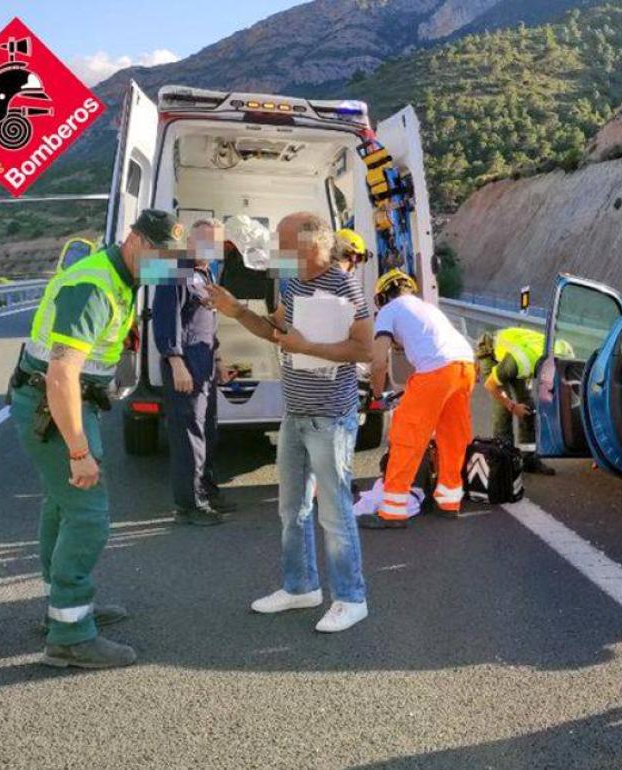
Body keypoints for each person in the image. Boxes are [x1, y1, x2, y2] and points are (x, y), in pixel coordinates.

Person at [8, 208, 180, 669]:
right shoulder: (94, 286)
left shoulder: (119, 280)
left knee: (62, 506)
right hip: (55, 406)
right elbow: (61, 375)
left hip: (68, 403)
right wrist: (79, 451)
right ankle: (69, 634)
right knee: (88, 515)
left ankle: (63, 608)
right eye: (161, 256)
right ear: (137, 240)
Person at [208, 213, 372, 634]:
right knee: (291, 509)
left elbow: (364, 350)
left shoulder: (345, 285)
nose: (277, 253)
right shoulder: (291, 282)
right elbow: (275, 330)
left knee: (334, 514)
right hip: (295, 412)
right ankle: (301, 587)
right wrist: (237, 311)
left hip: (331, 417)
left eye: (284, 244)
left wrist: (308, 345)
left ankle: (352, 599)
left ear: (313, 244)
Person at [362, 269, 476, 527]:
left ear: (382, 297)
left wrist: (376, 395)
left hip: (437, 370)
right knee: (452, 436)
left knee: (407, 433)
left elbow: (379, 362)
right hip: (465, 366)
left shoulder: (389, 311)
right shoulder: (428, 309)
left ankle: (392, 510)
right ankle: (449, 502)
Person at [153, 218, 237, 526]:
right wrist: (176, 362)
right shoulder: (176, 270)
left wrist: (218, 363)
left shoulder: (204, 272)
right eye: (204, 241)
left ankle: (208, 492)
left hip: (204, 368)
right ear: (189, 239)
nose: (209, 249)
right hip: (185, 368)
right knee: (189, 437)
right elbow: (165, 321)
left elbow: (206, 325)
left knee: (207, 432)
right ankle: (189, 506)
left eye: (215, 244)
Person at [477, 327, 559, 476]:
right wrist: (512, 406)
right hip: (490, 353)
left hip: (517, 352)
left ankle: (529, 460)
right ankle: (504, 463)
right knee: (503, 410)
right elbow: (491, 385)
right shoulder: (521, 363)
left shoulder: (560, 351)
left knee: (528, 407)